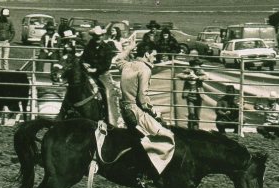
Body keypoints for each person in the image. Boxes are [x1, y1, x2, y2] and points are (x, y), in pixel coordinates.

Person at [115, 41, 175, 176]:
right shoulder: (145, 69)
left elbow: (118, 59)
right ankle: (150, 172)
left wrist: (129, 48)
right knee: (167, 136)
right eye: (154, 55)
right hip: (136, 112)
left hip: (125, 110)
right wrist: (154, 111)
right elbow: (143, 98)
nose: (155, 58)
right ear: (147, 54)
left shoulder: (127, 65)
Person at [81, 26, 118, 121]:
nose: (98, 38)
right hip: (89, 74)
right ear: (93, 36)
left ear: (102, 36)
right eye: (96, 36)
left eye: (100, 36)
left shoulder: (107, 48)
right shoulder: (89, 46)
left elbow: (106, 64)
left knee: (107, 93)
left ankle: (110, 118)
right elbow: (82, 59)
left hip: (102, 75)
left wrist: (96, 69)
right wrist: (84, 63)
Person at [176, 58, 209, 129]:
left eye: (199, 65)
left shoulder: (200, 71)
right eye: (196, 65)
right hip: (190, 96)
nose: (198, 67)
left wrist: (197, 77)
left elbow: (206, 77)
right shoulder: (188, 71)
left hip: (198, 96)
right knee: (191, 113)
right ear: (192, 65)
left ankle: (196, 129)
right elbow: (178, 75)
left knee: (197, 114)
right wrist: (187, 76)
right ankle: (190, 128)